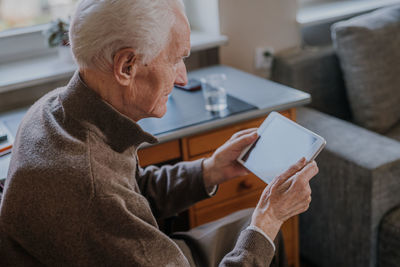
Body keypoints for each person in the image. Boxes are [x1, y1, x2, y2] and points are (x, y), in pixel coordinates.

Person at [0, 0, 318, 266]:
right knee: (261, 232)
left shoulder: (52, 108)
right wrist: (270, 220)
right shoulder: (90, 191)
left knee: (253, 225)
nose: (182, 78)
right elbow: (110, 201)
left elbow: (132, 194)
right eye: (176, 59)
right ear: (126, 66)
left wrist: (209, 170)